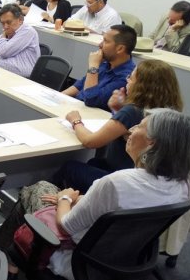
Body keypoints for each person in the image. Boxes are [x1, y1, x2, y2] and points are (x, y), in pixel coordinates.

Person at [44, 108, 190, 280]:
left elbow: (66, 226)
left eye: (139, 126)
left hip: (80, 264)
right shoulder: (181, 186)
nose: (131, 130)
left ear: (151, 143)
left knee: (39, 190)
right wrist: (80, 199)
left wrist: (65, 198)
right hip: (123, 263)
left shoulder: (116, 182)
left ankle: (8, 261)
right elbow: (125, 206)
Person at [55, 59, 183, 192]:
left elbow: (90, 141)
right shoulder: (169, 114)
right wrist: (117, 111)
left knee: (69, 167)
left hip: (123, 180)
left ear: (142, 86)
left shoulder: (132, 111)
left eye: (131, 78)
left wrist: (76, 121)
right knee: (94, 163)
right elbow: (127, 130)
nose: (127, 81)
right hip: (145, 180)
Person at [62, 24, 136, 111]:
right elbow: (79, 85)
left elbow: (91, 99)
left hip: (91, 115)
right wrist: (58, 97)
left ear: (120, 48)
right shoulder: (106, 62)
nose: (100, 44)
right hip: (77, 107)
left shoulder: (126, 77)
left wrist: (93, 66)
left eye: (106, 41)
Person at [0, 4, 40, 77]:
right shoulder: (8, 33)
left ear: (20, 20)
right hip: (6, 71)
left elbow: (4, 52)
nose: (5, 26)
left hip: (23, 75)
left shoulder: (28, 31)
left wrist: (3, 37)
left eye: (9, 22)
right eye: (2, 23)